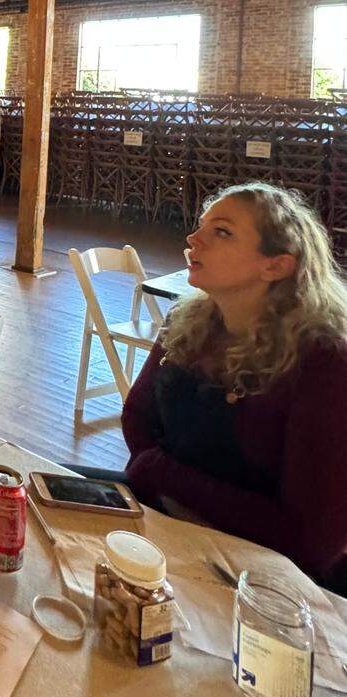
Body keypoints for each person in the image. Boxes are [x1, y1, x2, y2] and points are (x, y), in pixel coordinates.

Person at [118, 183, 347, 591]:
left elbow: (314, 541)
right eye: (201, 226)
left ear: (276, 265)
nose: (193, 239)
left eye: (221, 232)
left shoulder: (323, 361)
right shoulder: (186, 321)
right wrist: (159, 484)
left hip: (266, 576)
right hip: (162, 514)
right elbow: (137, 414)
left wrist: (160, 473)